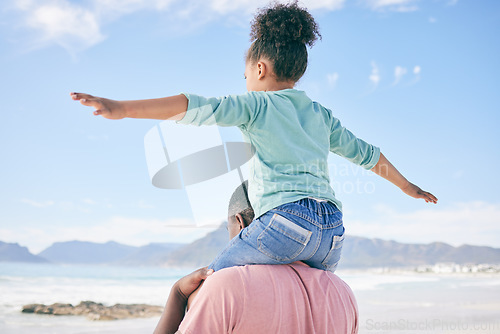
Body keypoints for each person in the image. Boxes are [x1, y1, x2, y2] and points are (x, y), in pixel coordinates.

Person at [71, 2, 437, 273]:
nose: (244, 80)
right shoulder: (321, 116)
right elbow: (368, 156)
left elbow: (196, 106)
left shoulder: (256, 105)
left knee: (210, 283)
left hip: (286, 223)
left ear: (259, 69)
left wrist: (121, 108)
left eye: (245, 73)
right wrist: (408, 188)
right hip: (333, 235)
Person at [153, 182, 359, 334]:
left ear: (240, 223)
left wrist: (178, 294)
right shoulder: (342, 291)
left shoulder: (226, 286)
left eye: (229, 230)